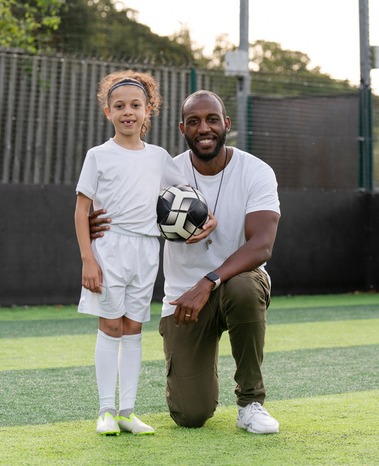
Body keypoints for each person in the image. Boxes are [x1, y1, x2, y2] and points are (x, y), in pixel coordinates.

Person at [90, 90, 281, 434]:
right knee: (190, 416)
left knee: (242, 287)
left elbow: (261, 245)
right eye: (194, 122)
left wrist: (208, 282)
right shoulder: (164, 171)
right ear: (183, 128)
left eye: (211, 119)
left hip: (231, 288)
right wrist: (95, 223)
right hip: (183, 300)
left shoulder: (256, 171)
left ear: (226, 124)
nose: (203, 128)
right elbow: (120, 210)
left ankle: (250, 403)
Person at [74, 71, 214, 436]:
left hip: (147, 250)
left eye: (135, 105)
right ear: (107, 112)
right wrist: (89, 258)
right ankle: (105, 410)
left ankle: (126, 412)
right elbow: (80, 210)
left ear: (148, 110)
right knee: (111, 326)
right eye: (119, 106)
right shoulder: (98, 155)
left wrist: (206, 220)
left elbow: (187, 194)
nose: (127, 112)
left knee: (133, 329)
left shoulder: (158, 157)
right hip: (109, 248)